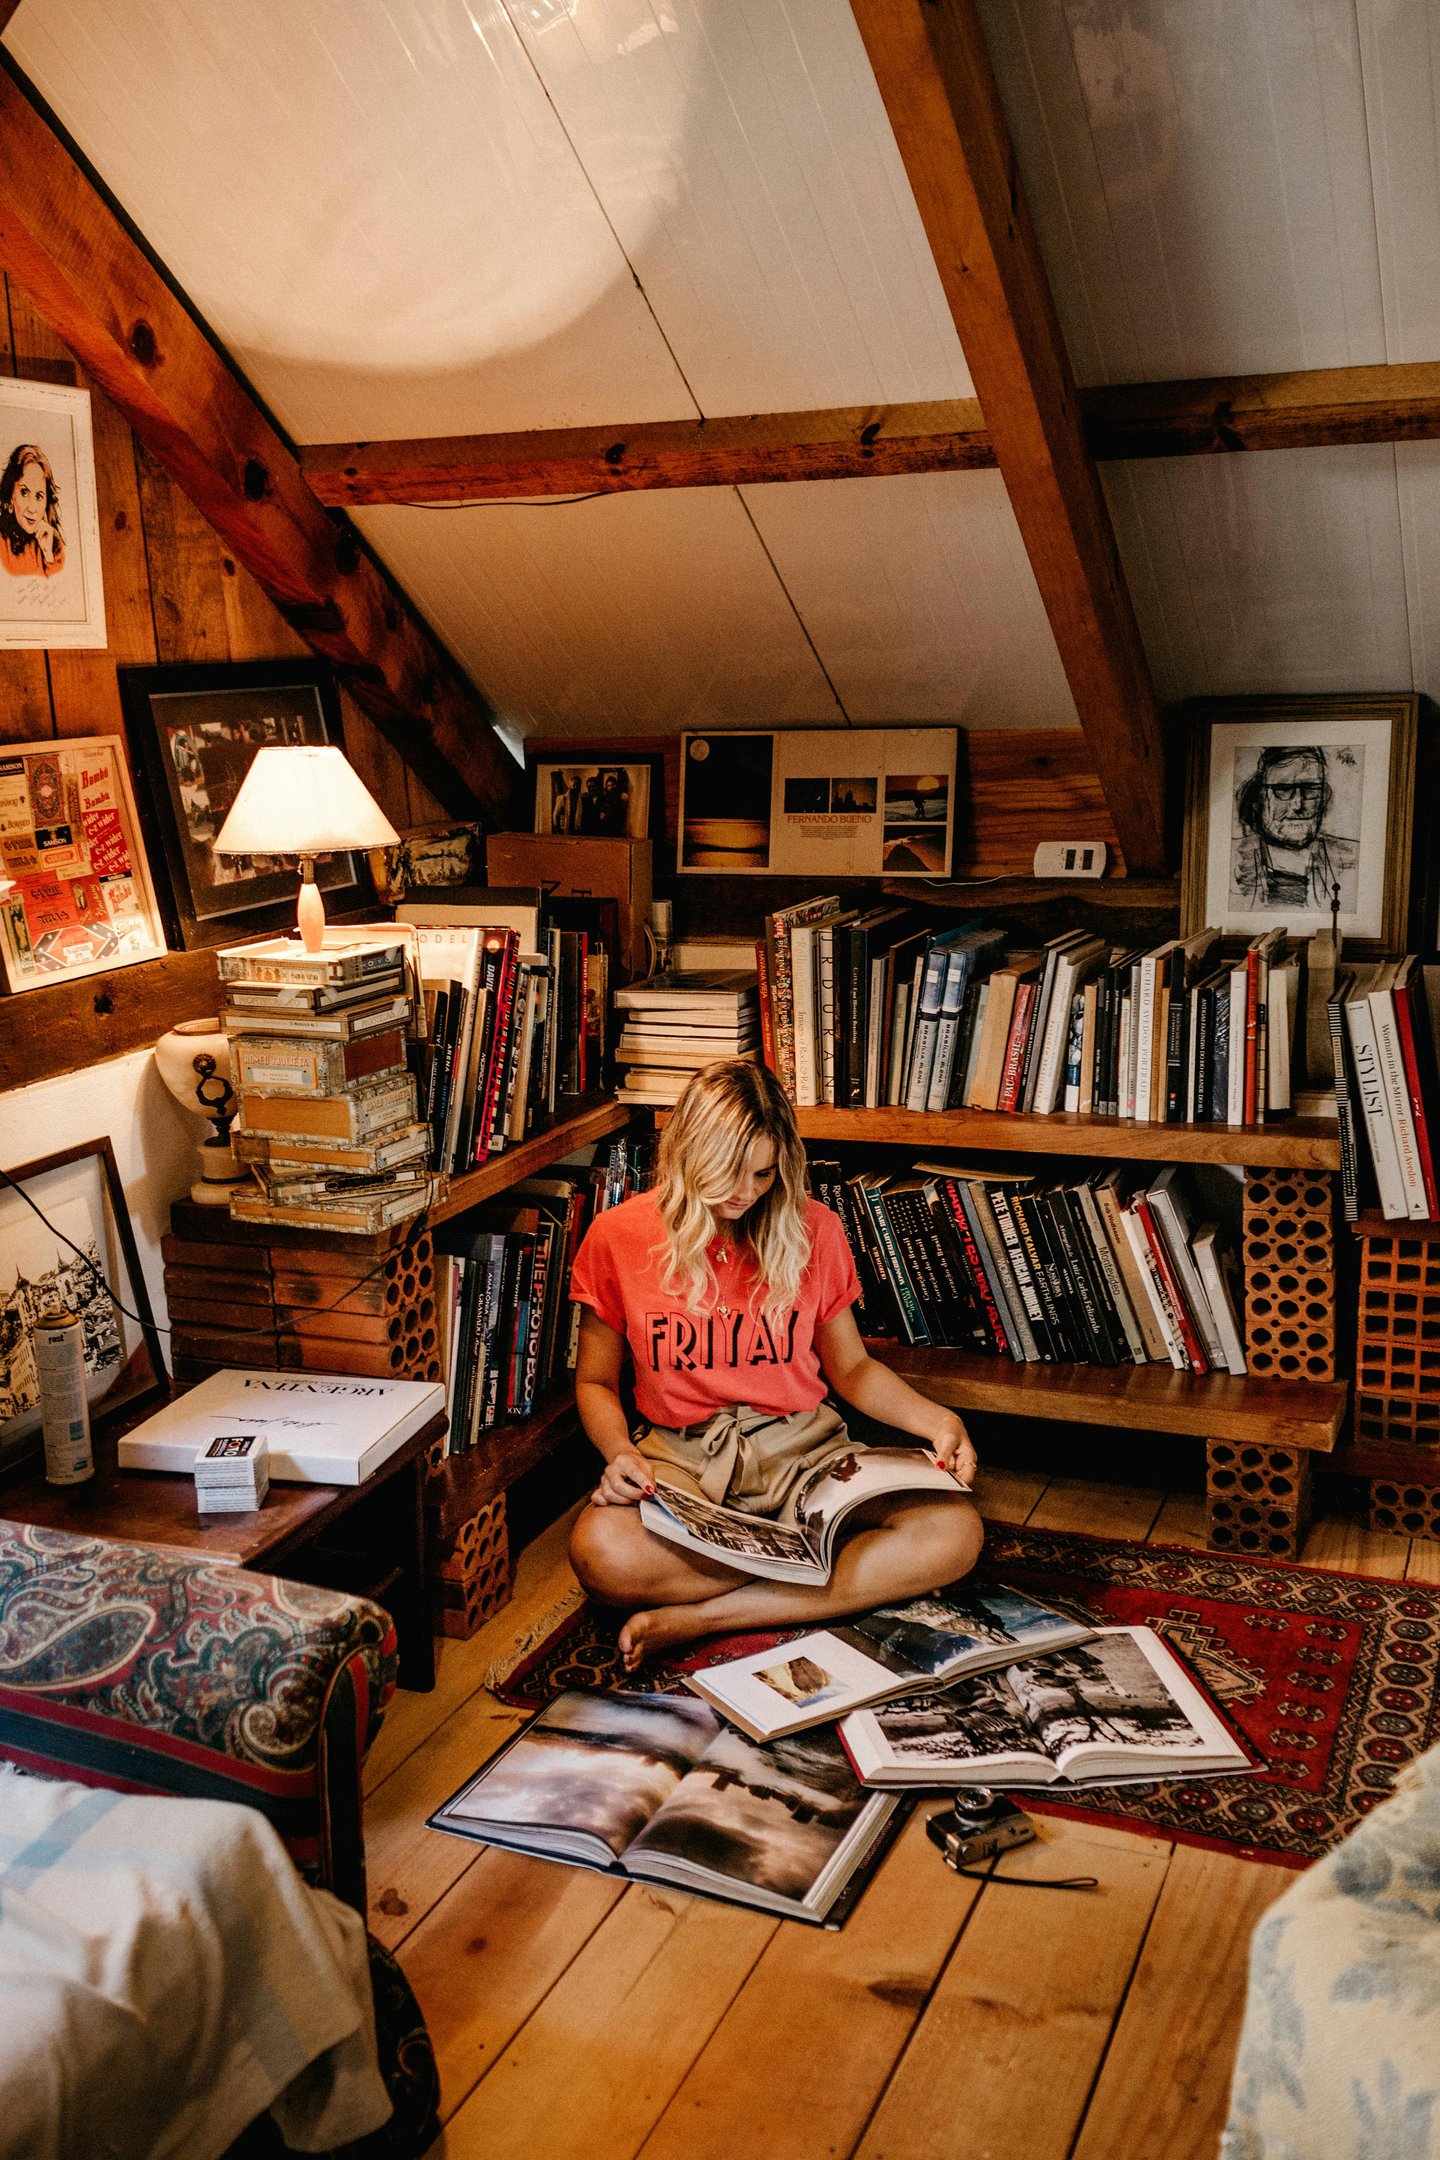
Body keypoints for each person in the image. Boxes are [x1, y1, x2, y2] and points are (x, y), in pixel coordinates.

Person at [568, 1059, 982, 1670]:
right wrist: (619, 1456)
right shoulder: (617, 1235)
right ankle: (823, 1575)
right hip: (682, 1464)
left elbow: (854, 1370)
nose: (743, 1192)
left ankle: (702, 1618)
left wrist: (939, 1423)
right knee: (600, 1553)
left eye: (761, 1173)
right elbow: (596, 1381)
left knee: (955, 1533)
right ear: (686, 1154)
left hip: (807, 1455)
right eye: (724, 1173)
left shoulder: (816, 1228)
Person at [1231, 745, 1357, 912]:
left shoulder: (1351, 858)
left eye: (1310, 789)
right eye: (1282, 790)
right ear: (1258, 797)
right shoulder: (1232, 859)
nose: (1298, 804)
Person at [0, 444, 65, 578]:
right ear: (11, 496)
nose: (32, 508)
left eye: (39, 496)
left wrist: (48, 554)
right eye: (24, 492)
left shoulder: (54, 545)